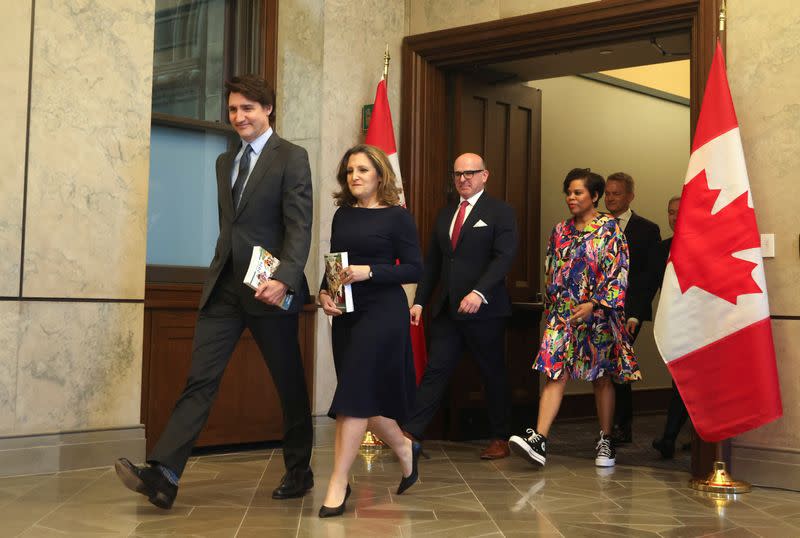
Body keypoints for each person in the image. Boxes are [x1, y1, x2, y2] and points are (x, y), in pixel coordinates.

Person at [115, 75, 314, 509]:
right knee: (199, 380)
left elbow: (299, 226)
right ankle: (164, 475)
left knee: (289, 385)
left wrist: (285, 276)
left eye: (248, 108)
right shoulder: (225, 162)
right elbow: (233, 226)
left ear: (268, 110)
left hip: (268, 287)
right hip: (224, 287)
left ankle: (299, 470)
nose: (239, 117)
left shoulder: (292, 158)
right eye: (233, 110)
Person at [509, 168, 640, 468]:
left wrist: (594, 304)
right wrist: (555, 307)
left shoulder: (610, 229)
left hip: (600, 315)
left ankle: (606, 440)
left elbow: (618, 273)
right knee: (554, 372)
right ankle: (539, 440)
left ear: (594, 196)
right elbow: (551, 269)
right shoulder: (560, 231)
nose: (571, 197)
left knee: (602, 378)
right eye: (568, 192)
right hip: (564, 315)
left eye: (578, 192)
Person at [317, 144, 423, 518]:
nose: (355, 176)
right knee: (360, 393)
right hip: (346, 312)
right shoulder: (342, 215)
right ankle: (406, 447)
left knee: (354, 395)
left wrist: (371, 271)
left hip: (383, 312)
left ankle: (337, 483)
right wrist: (323, 293)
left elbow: (415, 269)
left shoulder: (397, 217)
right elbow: (334, 264)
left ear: (380, 174)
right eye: (349, 171)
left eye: (362, 169)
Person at [403, 152, 518, 460]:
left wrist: (479, 292)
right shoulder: (446, 214)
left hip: (485, 311)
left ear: (485, 175)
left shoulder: (500, 212)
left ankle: (500, 437)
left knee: (492, 372)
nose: (464, 179)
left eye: (470, 173)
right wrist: (419, 301)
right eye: (458, 174)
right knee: (435, 370)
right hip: (448, 310)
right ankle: (411, 433)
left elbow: (504, 257)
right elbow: (434, 263)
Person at [604, 172, 661, 444]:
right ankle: (608, 424)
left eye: (616, 193)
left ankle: (621, 426)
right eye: (608, 193)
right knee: (605, 366)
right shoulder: (596, 226)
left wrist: (636, 313)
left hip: (629, 311)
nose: (611, 198)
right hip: (599, 308)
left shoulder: (647, 230)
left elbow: (647, 278)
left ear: (629, 196)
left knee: (619, 364)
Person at [650, 196, 692, 458]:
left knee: (687, 381)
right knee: (681, 379)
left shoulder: (706, 244)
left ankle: (670, 437)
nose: (675, 217)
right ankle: (674, 437)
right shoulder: (662, 248)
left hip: (701, 323)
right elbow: (649, 284)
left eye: (680, 212)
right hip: (673, 321)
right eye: (670, 212)